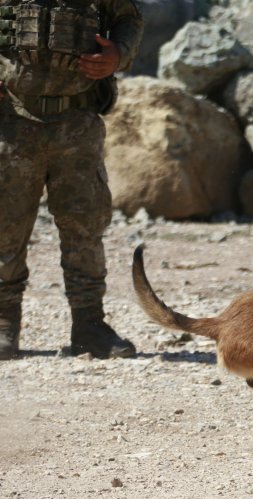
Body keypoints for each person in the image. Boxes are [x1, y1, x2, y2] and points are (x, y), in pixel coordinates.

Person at [0, 0, 143, 360]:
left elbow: (128, 18)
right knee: (5, 225)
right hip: (11, 120)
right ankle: (3, 322)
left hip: (76, 121)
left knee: (84, 227)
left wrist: (118, 55)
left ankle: (89, 325)